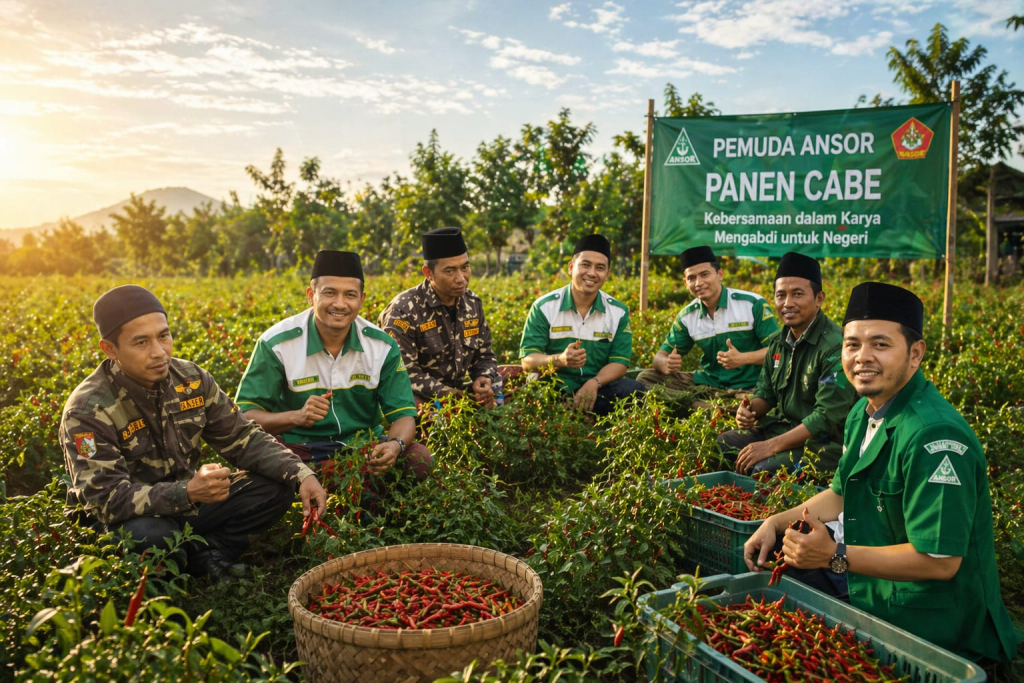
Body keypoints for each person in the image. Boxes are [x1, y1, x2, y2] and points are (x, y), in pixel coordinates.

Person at [743, 282, 1019, 665]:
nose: (862, 358)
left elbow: (939, 562)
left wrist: (834, 556)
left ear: (915, 353)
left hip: (931, 620)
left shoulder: (934, 436)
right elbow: (840, 494)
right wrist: (775, 521)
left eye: (881, 344)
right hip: (875, 585)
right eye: (852, 344)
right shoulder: (864, 411)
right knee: (775, 565)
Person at [59, 285, 327, 579]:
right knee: (152, 534)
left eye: (163, 336)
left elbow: (244, 438)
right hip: (124, 519)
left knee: (277, 483)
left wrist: (301, 474)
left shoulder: (191, 379)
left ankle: (210, 553)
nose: (159, 352)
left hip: (185, 502)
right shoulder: (88, 410)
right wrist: (186, 492)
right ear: (110, 350)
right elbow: (105, 500)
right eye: (141, 343)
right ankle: (174, 566)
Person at [235, 250, 429, 481]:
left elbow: (404, 415)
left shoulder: (381, 346)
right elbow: (246, 416)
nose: (340, 304)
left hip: (362, 447)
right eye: (329, 293)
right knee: (255, 460)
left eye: (349, 295)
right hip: (298, 449)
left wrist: (395, 445)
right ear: (310, 295)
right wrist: (296, 417)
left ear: (362, 299)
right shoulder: (278, 344)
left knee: (419, 458)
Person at [717, 252, 856, 474]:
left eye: (798, 294)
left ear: (819, 298)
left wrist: (770, 446)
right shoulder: (778, 342)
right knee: (723, 445)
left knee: (763, 470)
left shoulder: (835, 346)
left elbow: (826, 418)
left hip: (823, 444)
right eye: (781, 295)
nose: (787, 303)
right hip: (783, 431)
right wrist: (749, 410)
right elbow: (766, 393)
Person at [519, 234, 646, 415]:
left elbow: (619, 362)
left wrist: (593, 384)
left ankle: (586, 415)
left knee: (634, 391)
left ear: (607, 274)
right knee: (536, 394)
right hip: (554, 387)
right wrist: (561, 360)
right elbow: (528, 360)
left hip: (598, 390)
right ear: (571, 268)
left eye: (600, 268)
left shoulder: (618, 312)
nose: (592, 273)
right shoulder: (544, 307)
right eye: (585, 265)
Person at [637, 245, 778, 407]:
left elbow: (778, 353)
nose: (699, 283)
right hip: (709, 385)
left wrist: (742, 359)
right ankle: (712, 408)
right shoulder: (687, 316)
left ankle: (704, 408)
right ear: (685, 282)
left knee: (762, 399)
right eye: (691, 278)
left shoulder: (752, 304)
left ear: (720, 274)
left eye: (705, 274)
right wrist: (665, 363)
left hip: (751, 386)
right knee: (646, 379)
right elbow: (659, 357)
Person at [378, 227, 500, 408]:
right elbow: (403, 373)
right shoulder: (404, 310)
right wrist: (455, 396)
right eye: (450, 271)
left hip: (458, 391)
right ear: (428, 273)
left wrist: (483, 379)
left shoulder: (472, 303)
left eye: (465, 267)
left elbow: (485, 355)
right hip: (419, 396)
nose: (461, 279)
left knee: (513, 378)